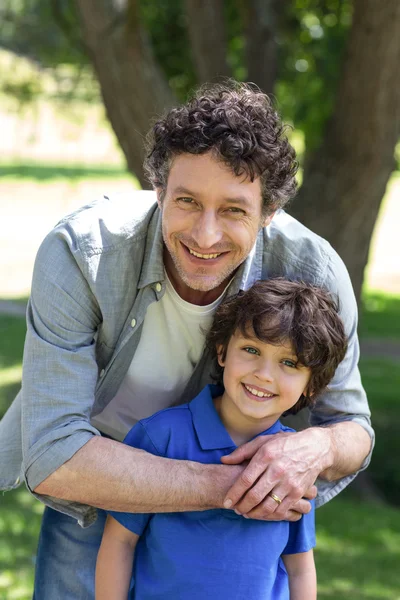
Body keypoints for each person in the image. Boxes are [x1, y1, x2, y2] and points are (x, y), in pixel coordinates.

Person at [0, 81, 373, 599]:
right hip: (103, 479)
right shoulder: (81, 254)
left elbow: (353, 428)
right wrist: (234, 489)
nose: (205, 235)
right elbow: (52, 450)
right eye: (188, 202)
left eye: (235, 211)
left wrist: (316, 447)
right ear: (158, 189)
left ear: (269, 212)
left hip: (239, 516)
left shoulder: (314, 270)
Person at [96, 279, 348, 600]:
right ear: (222, 352)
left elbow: (300, 568)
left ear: (311, 386)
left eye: (288, 362)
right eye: (251, 350)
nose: (264, 374)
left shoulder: (295, 463)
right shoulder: (160, 437)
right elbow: (120, 542)